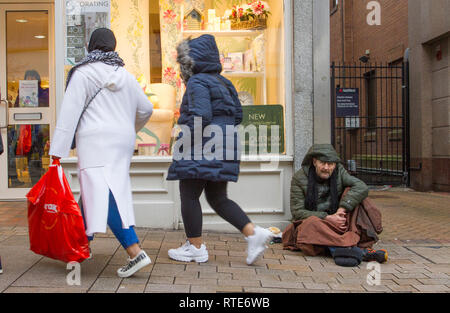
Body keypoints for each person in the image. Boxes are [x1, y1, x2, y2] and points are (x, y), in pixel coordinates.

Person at [49, 28, 153, 278]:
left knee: (102, 195)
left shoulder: (83, 72)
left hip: (95, 142)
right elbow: (147, 109)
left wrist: (57, 152)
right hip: (122, 142)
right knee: (97, 190)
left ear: (90, 45)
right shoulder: (125, 74)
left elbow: (69, 114)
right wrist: (130, 128)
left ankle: (135, 251)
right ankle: (79, 246)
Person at [166, 34, 272, 265]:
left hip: (202, 145)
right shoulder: (225, 82)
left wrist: (182, 142)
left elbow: (201, 116)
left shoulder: (196, 82)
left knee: (189, 194)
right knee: (218, 197)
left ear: (191, 61)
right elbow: (237, 115)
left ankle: (195, 247)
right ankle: (253, 233)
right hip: (225, 145)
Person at [284, 144, 387, 266]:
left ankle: (341, 249)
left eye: (331, 164)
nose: (327, 167)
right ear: (314, 161)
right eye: (323, 163)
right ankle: (354, 251)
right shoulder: (299, 178)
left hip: (339, 221)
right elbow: (297, 212)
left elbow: (361, 187)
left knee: (357, 196)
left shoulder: (339, 172)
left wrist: (342, 209)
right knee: (310, 225)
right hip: (318, 223)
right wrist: (327, 218)